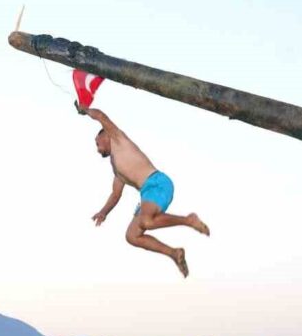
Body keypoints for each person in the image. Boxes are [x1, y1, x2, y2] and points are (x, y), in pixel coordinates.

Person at [83, 107, 210, 278]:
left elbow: (100, 116)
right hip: (147, 192)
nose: (97, 150)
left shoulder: (119, 139)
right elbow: (115, 194)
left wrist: (85, 110)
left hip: (157, 183)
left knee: (147, 221)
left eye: (97, 144)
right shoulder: (117, 168)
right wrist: (103, 212)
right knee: (132, 236)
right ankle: (174, 253)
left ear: (105, 135)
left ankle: (189, 220)